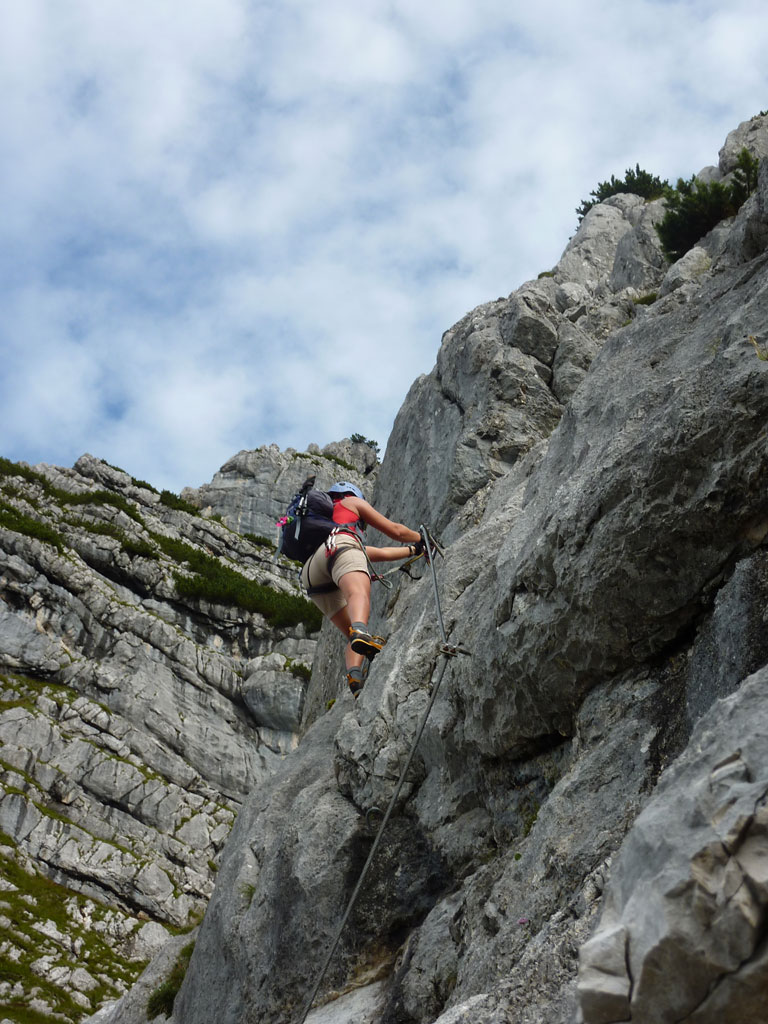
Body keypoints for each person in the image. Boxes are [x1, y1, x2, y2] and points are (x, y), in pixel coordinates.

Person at [300, 481, 423, 697]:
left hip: (312, 571)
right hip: (341, 548)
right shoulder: (352, 502)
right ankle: (360, 630)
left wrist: (413, 550)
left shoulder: (329, 523)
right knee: (359, 594)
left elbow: (380, 553)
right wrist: (421, 538)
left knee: (350, 635)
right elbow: (395, 530)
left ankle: (354, 677)